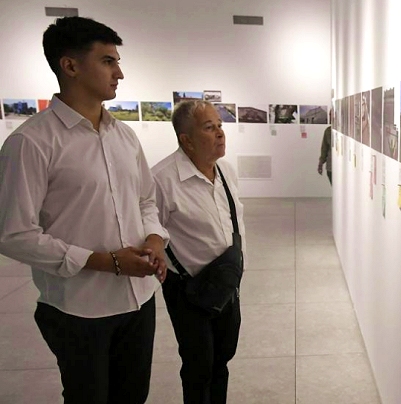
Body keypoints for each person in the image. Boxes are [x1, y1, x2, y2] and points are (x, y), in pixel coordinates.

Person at [0, 16, 168, 404]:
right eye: (108, 61)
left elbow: (145, 200)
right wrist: (103, 261)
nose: (119, 73)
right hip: (79, 308)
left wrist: (155, 239)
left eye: (117, 62)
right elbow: (14, 233)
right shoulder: (31, 142)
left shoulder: (124, 136)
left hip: (139, 300)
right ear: (70, 66)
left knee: (133, 396)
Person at [152, 100, 247, 404]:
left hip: (226, 283)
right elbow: (150, 232)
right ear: (187, 140)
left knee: (222, 357)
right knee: (198, 365)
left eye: (220, 125)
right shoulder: (162, 179)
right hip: (188, 289)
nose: (220, 133)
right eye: (209, 128)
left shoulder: (226, 171)